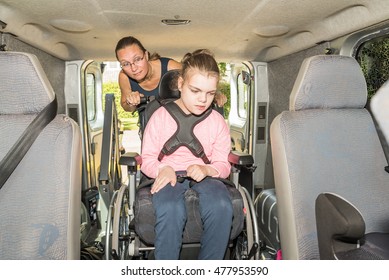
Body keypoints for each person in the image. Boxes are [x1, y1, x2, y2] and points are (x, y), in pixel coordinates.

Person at [140, 49, 233, 260]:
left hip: (206, 176)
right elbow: (147, 160)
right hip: (167, 174)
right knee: (170, 208)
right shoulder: (160, 117)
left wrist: (207, 169)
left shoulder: (217, 121)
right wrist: (163, 169)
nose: (203, 99)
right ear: (180, 84)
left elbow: (223, 164)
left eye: (210, 93)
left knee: (222, 205)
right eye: (195, 90)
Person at [115, 36, 227, 113]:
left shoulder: (171, 67)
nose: (133, 68)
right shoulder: (124, 77)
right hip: (149, 126)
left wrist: (215, 95)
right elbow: (126, 106)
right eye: (125, 64)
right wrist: (131, 102)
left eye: (138, 59)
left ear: (146, 55)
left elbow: (199, 77)